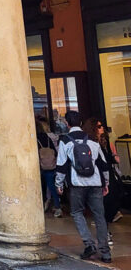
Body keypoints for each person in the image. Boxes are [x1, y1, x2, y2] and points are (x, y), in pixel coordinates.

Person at [55, 111, 111, 261]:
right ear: (81, 123)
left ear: (67, 123)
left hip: (77, 183)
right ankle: (105, 252)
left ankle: (89, 245)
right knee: (99, 216)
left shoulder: (65, 140)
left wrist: (58, 184)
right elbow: (103, 164)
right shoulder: (93, 140)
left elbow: (61, 165)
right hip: (95, 182)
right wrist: (106, 183)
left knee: (77, 213)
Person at [36, 118, 61, 217]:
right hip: (50, 165)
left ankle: (42, 205)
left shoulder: (34, 138)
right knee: (51, 186)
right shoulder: (47, 137)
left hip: (39, 165)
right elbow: (54, 151)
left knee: (40, 187)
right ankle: (57, 206)